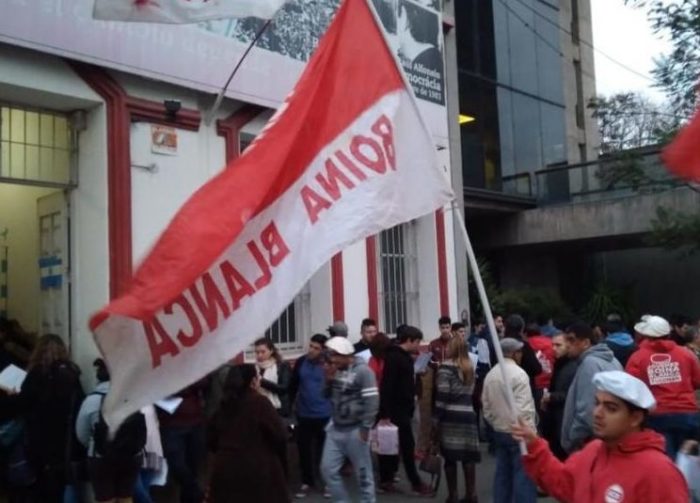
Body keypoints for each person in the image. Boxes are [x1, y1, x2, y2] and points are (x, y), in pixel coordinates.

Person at [512, 371, 689, 503]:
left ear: (636, 418)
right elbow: (565, 485)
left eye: (611, 408)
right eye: (597, 403)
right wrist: (534, 445)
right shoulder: (593, 450)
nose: (597, 413)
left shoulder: (659, 472)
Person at [208, 364, 289, 503]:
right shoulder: (260, 402)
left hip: (225, 469)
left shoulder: (224, 404)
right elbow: (279, 435)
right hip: (257, 469)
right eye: (258, 377)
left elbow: (211, 439)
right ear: (253, 381)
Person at [19, 333, 84, 503]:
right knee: (62, 485)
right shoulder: (72, 373)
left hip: (38, 438)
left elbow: (22, 404)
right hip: (65, 440)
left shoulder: (36, 374)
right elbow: (79, 403)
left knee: (40, 484)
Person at [625, 314, 700, 459]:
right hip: (688, 415)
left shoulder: (637, 358)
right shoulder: (686, 354)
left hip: (657, 417)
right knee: (689, 463)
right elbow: (697, 381)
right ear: (668, 334)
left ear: (646, 335)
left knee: (666, 462)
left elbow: (631, 389)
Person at [76, 358, 144, 503]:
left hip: (101, 457)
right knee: (126, 497)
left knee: (105, 499)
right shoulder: (134, 397)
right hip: (131, 455)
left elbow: (81, 433)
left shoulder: (91, 401)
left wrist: (93, 445)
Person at [320, 336, 379, 503]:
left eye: (334, 355)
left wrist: (366, 427)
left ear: (345, 354)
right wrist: (328, 380)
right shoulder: (335, 369)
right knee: (327, 469)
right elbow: (324, 395)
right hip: (336, 428)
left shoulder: (364, 372)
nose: (331, 360)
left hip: (355, 429)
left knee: (363, 474)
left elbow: (372, 401)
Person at [377, 325, 432, 496]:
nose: (418, 346)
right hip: (396, 410)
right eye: (417, 342)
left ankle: (386, 479)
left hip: (402, 409)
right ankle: (415, 482)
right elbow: (387, 386)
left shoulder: (402, 357)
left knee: (393, 447)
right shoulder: (395, 358)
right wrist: (385, 413)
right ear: (409, 340)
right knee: (406, 447)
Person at [482, 338, 538, 503]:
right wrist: (530, 431)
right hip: (519, 432)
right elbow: (525, 409)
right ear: (514, 353)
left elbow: (486, 405)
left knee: (502, 475)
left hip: (500, 430)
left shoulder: (491, 374)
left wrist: (495, 423)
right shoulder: (519, 374)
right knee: (524, 476)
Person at [561, 321, 622, 454]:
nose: (567, 345)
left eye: (571, 340)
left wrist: (574, 439)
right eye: (566, 340)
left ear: (586, 343)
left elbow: (587, 410)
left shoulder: (589, 364)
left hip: (588, 443)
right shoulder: (613, 360)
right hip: (609, 437)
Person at [434, 337, 480, 503]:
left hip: (450, 416)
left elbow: (443, 394)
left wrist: (436, 417)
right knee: (468, 457)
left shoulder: (445, 368)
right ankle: (471, 494)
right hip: (468, 413)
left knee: (450, 457)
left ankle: (452, 495)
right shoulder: (470, 367)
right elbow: (472, 392)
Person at [288, 334, 332, 499]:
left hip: (325, 414)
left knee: (325, 451)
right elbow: (293, 386)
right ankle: (307, 481)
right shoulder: (301, 362)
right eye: (311, 346)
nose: (311, 350)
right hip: (304, 414)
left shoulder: (329, 364)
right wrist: (290, 408)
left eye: (316, 348)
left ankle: (327, 482)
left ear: (323, 350)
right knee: (304, 449)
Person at [157, 380, 208, 503]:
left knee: (193, 465)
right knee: (176, 464)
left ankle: (191, 497)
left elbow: (204, 381)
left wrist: (183, 385)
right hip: (170, 422)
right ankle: (196, 492)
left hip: (194, 420)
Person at [540, 333, 577, 460]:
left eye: (558, 345)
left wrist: (551, 397)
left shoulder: (573, 366)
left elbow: (571, 394)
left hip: (563, 419)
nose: (554, 348)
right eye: (553, 345)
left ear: (568, 345)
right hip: (555, 418)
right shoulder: (559, 364)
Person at [503, 315, 542, 401]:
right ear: (521, 329)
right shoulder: (524, 346)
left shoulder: (498, 345)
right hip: (524, 391)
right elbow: (537, 368)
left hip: (503, 390)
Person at [254, 337, 292, 418]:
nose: (259, 355)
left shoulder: (282, 366)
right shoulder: (255, 368)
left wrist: (262, 381)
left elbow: (283, 388)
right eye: (257, 352)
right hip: (259, 409)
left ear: (271, 351)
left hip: (278, 409)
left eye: (263, 352)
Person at [525, 322, 555, 400]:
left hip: (532, 384)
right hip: (549, 383)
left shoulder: (526, 345)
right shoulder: (551, 343)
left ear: (526, 334)